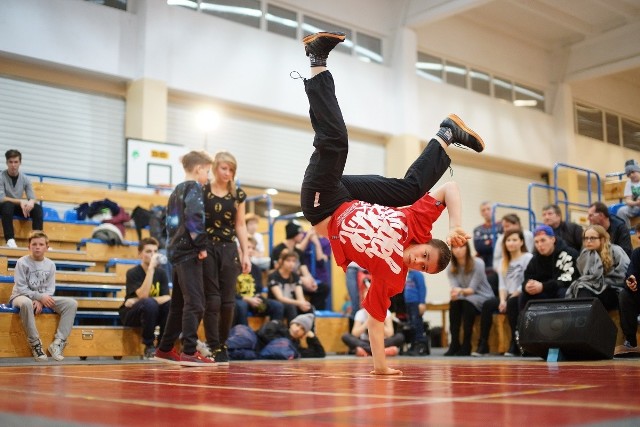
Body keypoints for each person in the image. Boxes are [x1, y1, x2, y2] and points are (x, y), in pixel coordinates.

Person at [297, 32, 484, 375]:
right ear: (425, 242)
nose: (417, 262)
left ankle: (316, 60)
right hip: (347, 195)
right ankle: (446, 134)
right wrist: (456, 225)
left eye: (423, 268)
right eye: (424, 257)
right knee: (408, 191)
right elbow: (450, 189)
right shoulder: (416, 223)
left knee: (335, 143)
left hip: (322, 205)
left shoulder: (394, 276)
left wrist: (381, 367)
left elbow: (374, 317)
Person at [154, 150, 216, 367]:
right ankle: (189, 350)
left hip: (175, 251)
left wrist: (171, 245)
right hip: (189, 251)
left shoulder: (176, 191)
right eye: (207, 172)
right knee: (196, 303)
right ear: (198, 169)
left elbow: (167, 223)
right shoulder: (194, 187)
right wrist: (201, 244)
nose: (208, 177)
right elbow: (194, 216)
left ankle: (164, 348)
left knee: (179, 304)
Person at [202, 150, 252, 364]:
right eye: (224, 168)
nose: (228, 173)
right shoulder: (203, 190)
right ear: (215, 168)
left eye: (231, 169)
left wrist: (246, 252)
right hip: (207, 247)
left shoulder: (238, 194)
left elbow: (240, 225)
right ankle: (213, 345)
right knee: (212, 300)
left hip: (229, 248)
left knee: (228, 302)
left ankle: (223, 344)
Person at [8, 231, 78, 361]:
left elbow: (50, 288)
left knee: (71, 304)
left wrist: (41, 300)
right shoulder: (22, 262)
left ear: (46, 247)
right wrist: (38, 297)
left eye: (41, 244)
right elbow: (21, 287)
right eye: (34, 244)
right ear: (29, 247)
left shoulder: (50, 264)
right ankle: (35, 344)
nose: (37, 247)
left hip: (41, 297)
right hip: (20, 296)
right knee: (26, 303)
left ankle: (58, 343)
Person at [515, 225, 580, 355]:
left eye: (543, 240)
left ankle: (561, 340)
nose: (540, 245)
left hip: (562, 291)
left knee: (562, 293)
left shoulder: (568, 254)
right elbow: (527, 278)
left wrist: (543, 286)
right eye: (537, 242)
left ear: (553, 239)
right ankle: (524, 340)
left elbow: (567, 279)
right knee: (521, 297)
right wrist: (527, 286)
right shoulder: (535, 259)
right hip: (544, 293)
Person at [476, 229, 532, 356]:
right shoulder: (503, 261)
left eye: (514, 240)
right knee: (488, 304)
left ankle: (515, 343)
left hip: (521, 294)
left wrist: (511, 297)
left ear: (521, 242)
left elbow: (526, 281)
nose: (511, 243)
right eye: (508, 240)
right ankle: (483, 344)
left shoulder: (527, 258)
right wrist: (502, 301)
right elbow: (502, 285)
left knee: (512, 303)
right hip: (507, 296)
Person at [119, 237, 171, 359]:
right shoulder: (133, 273)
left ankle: (162, 346)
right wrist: (151, 269)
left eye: (155, 251)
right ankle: (149, 345)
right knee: (149, 303)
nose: (153, 255)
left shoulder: (162, 273)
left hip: (152, 312)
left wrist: (136, 300)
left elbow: (167, 298)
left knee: (169, 305)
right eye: (148, 251)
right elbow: (143, 295)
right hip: (133, 315)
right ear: (140, 254)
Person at [444, 241, 494, 356]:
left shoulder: (478, 263)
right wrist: (454, 294)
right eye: (455, 247)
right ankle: (455, 343)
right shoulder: (451, 267)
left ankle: (467, 344)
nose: (458, 250)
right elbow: (454, 287)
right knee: (454, 303)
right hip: (466, 297)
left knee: (466, 303)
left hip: (483, 296)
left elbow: (472, 289)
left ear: (467, 248)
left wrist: (458, 291)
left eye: (461, 247)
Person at [566, 225, 629, 310]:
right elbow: (585, 277)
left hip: (614, 289)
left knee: (587, 294)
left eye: (592, 238)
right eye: (586, 238)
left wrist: (601, 283)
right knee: (581, 289)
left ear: (602, 239)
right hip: (593, 288)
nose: (588, 241)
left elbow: (625, 275)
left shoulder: (616, 251)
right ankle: (585, 319)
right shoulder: (585, 254)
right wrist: (593, 283)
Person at [271, 220, 329, 309]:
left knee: (322, 288)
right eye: (301, 233)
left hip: (297, 281)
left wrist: (311, 281)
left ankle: (312, 312)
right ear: (294, 234)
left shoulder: (298, 251)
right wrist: (301, 279)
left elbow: (304, 268)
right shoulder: (278, 249)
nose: (303, 235)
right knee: (298, 286)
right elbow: (275, 271)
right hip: (285, 282)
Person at [341, 280, 404, 357]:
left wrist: (377, 320)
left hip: (382, 341)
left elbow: (390, 333)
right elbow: (355, 333)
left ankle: (367, 351)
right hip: (366, 342)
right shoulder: (360, 313)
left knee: (400, 337)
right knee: (346, 336)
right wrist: (368, 321)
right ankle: (381, 351)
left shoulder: (386, 312)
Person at [234, 236, 284, 326]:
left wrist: (255, 299)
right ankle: (244, 335)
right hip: (238, 300)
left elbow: (259, 289)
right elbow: (228, 291)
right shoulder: (231, 267)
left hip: (253, 300)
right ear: (239, 248)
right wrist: (246, 299)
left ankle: (272, 332)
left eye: (253, 248)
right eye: (248, 247)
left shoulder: (256, 269)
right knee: (242, 305)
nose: (250, 250)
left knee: (277, 306)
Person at [0, 149, 44, 248]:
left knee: (37, 209)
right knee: (7, 206)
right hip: (3, 207)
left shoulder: (25, 178)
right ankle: (10, 240)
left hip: (18, 207)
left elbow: (32, 197)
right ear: (7, 163)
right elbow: (1, 198)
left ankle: (38, 240)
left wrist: (31, 203)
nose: (13, 165)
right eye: (10, 162)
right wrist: (20, 201)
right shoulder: (1, 176)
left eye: (16, 162)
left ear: (20, 163)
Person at [267, 250, 313, 322]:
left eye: (294, 261)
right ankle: (292, 330)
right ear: (282, 262)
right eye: (288, 261)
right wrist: (299, 303)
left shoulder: (295, 276)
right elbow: (280, 298)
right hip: (276, 304)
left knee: (309, 308)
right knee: (291, 307)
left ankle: (310, 332)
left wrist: (303, 304)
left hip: (292, 303)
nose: (291, 264)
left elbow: (300, 296)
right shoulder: (273, 276)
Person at [257, 313, 325, 358]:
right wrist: (284, 344)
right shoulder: (278, 325)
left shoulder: (295, 348)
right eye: (297, 325)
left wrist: (312, 337)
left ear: (303, 335)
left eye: (302, 329)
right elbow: (263, 333)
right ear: (291, 323)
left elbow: (319, 353)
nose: (298, 329)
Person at [473, 201, 501, 296]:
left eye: (488, 209)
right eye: (483, 210)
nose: (486, 212)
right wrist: (495, 241)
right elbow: (479, 247)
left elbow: (502, 245)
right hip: (486, 270)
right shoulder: (478, 229)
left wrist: (487, 242)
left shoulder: (502, 226)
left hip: (502, 267)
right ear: (481, 213)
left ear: (494, 210)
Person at [616, 247, 640, 356]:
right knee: (624, 296)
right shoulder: (637, 253)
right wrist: (631, 282)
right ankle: (630, 341)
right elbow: (630, 274)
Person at [300, 228, 332, 310]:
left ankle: (315, 314)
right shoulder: (303, 236)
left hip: (320, 276)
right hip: (305, 276)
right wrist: (308, 237)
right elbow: (297, 252)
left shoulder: (325, 242)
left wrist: (316, 243)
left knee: (323, 289)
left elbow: (320, 260)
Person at [403, 270, 430, 356]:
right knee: (411, 325)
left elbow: (422, 288)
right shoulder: (409, 275)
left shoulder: (418, 274)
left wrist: (422, 302)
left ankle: (420, 344)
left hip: (416, 303)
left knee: (417, 323)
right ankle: (413, 345)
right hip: (409, 303)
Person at [616, 159, 640, 229]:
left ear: (638, 170)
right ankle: (626, 231)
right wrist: (636, 203)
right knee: (621, 211)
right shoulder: (629, 183)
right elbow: (628, 200)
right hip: (635, 207)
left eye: (633, 172)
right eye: (629, 174)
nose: (631, 175)